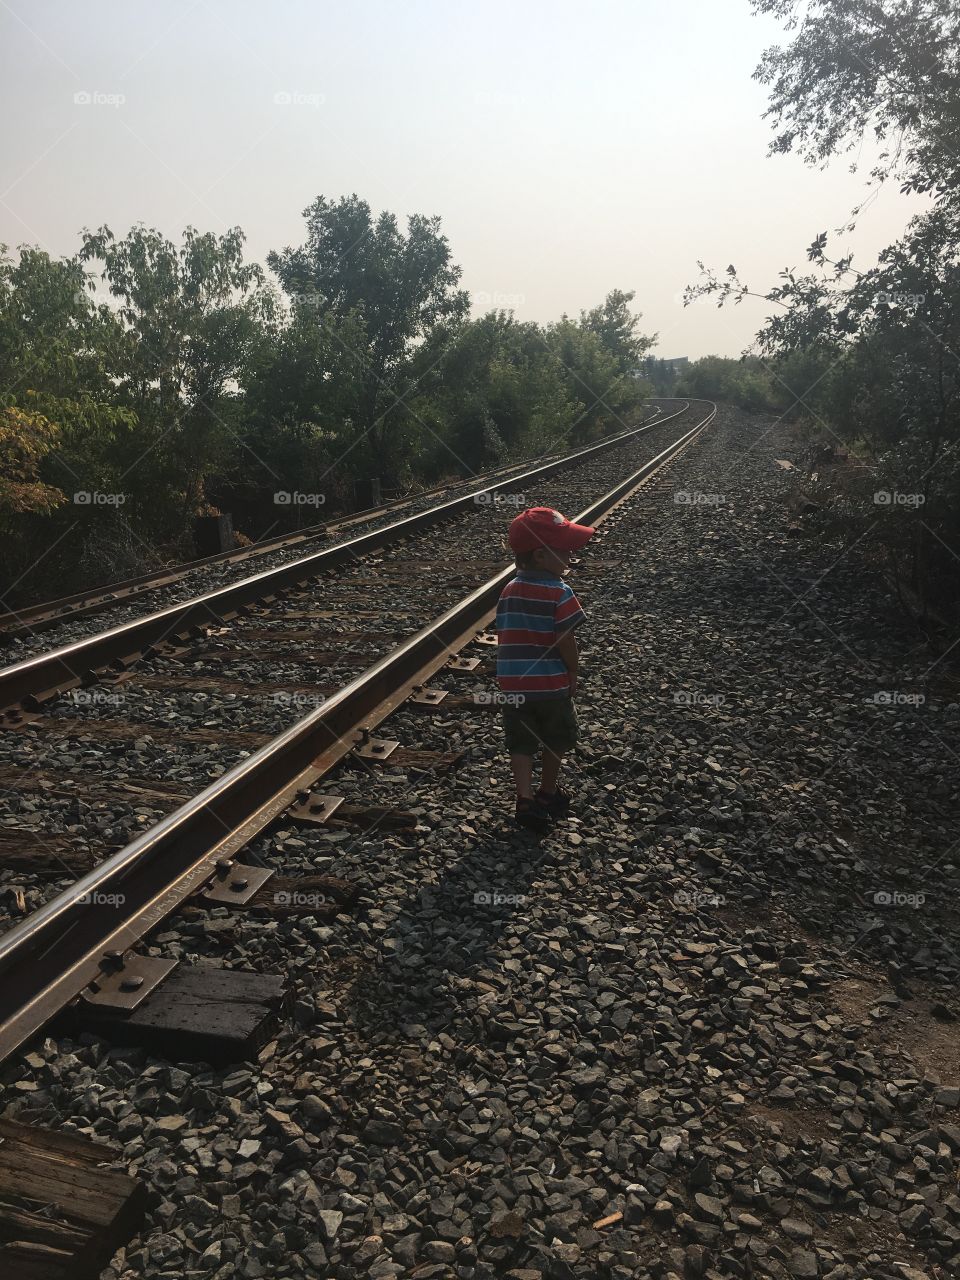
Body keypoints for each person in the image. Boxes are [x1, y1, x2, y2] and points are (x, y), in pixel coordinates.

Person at [495, 506, 595, 832]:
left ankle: (523, 798)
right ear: (540, 555)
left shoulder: (508, 591)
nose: (570, 552)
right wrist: (573, 672)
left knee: (521, 742)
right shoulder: (560, 592)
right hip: (550, 685)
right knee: (556, 738)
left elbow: (507, 636)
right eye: (563, 548)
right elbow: (565, 640)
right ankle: (547, 793)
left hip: (515, 687)